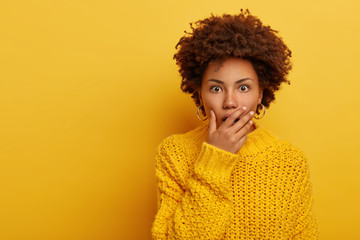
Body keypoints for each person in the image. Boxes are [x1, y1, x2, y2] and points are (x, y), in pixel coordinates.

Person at [151, 9, 319, 239]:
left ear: (260, 94)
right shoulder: (174, 153)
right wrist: (215, 159)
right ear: (200, 94)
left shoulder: (289, 160)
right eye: (216, 88)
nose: (230, 102)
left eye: (243, 88)